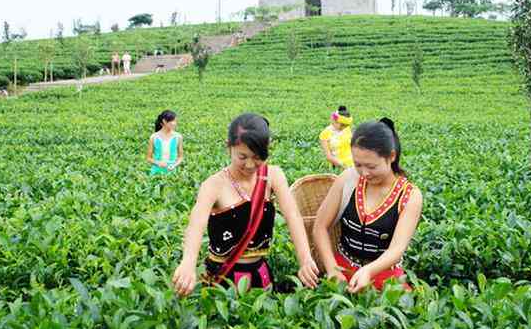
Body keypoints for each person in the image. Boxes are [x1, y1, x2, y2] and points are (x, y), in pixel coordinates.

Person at [172, 113, 319, 296]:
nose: (250, 165)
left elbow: (293, 216)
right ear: (229, 147)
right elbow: (196, 224)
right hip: (221, 279)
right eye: (242, 156)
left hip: (261, 274)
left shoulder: (273, 175)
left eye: (258, 157)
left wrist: (305, 259)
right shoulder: (214, 184)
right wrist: (188, 262)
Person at [313, 119, 422, 293]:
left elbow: (397, 248)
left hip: (385, 274)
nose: (364, 173)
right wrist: (332, 269)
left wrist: (368, 271)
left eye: (371, 166)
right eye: (358, 164)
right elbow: (320, 226)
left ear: (391, 156)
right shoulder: (348, 179)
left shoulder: (410, 196)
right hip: (342, 269)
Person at [146, 110, 184, 175]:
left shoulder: (178, 137)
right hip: (156, 172)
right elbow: (148, 158)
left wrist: (174, 165)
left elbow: (180, 157)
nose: (175, 123)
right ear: (164, 121)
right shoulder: (154, 137)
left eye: (175, 121)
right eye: (173, 121)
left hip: (171, 172)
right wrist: (158, 163)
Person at [319, 106, 354, 170]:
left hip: (352, 162)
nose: (344, 127)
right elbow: (329, 156)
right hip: (337, 165)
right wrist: (343, 166)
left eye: (346, 126)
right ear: (334, 120)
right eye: (342, 125)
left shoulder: (347, 129)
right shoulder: (325, 134)